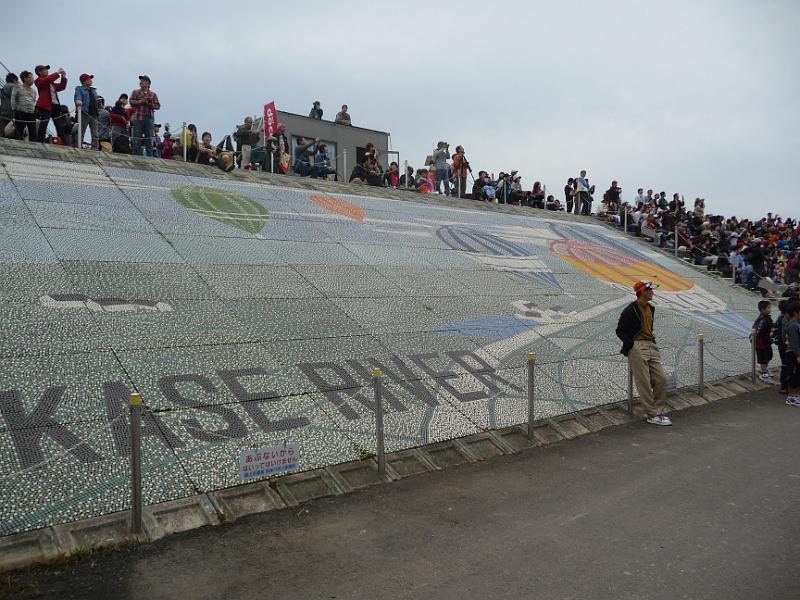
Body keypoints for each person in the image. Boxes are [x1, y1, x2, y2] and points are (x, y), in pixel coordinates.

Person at [615, 280, 672, 426]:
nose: (652, 292)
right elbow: (620, 330)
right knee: (644, 382)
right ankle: (652, 414)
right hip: (638, 346)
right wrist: (631, 344)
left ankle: (658, 411)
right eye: (650, 290)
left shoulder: (651, 308)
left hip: (651, 344)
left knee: (662, 379)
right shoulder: (630, 310)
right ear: (642, 292)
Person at [33, 65, 69, 142]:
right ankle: (40, 141)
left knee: (59, 126)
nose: (47, 70)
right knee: (43, 125)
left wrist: (63, 78)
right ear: (39, 72)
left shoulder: (51, 83)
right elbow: (46, 80)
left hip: (55, 106)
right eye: (45, 69)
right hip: (46, 106)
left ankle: (62, 142)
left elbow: (61, 87)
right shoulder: (38, 80)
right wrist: (57, 73)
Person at [129, 75, 160, 156]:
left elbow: (158, 106)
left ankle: (150, 157)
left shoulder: (153, 94)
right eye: (141, 80)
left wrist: (150, 104)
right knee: (137, 138)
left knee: (149, 138)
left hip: (149, 118)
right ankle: (137, 156)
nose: (141, 82)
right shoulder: (135, 92)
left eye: (143, 80)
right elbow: (131, 102)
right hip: (138, 117)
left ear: (148, 83)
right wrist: (141, 102)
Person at [73, 74, 99, 150]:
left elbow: (96, 102)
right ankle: (79, 147)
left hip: (94, 114)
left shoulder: (93, 90)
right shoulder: (79, 89)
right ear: (84, 81)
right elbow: (77, 97)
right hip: (84, 113)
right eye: (89, 79)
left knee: (95, 134)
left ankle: (95, 149)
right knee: (81, 132)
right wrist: (78, 101)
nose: (91, 81)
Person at [752, 300, 775, 383]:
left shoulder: (767, 317)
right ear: (762, 310)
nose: (770, 309)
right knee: (762, 358)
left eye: (770, 307)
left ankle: (765, 369)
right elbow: (758, 331)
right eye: (768, 308)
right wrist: (769, 334)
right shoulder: (761, 320)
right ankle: (764, 374)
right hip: (761, 343)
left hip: (767, 341)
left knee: (768, 356)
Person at [11, 71, 37, 141]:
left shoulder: (34, 91)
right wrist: (14, 110)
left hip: (31, 113)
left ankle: (33, 146)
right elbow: (13, 99)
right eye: (30, 78)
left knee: (33, 132)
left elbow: (33, 101)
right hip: (20, 112)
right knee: (19, 131)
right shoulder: (17, 87)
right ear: (25, 79)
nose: (32, 79)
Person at [784, 301, 800, 406]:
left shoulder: (795, 324)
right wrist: (798, 355)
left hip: (795, 353)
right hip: (793, 353)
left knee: (797, 375)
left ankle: (795, 396)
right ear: (795, 313)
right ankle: (791, 397)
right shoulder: (793, 325)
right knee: (793, 375)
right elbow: (794, 342)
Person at [775, 300, 790, 394]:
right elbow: (785, 335)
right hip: (784, 345)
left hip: (781, 345)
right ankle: (784, 386)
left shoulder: (780, 317)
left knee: (785, 365)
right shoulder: (784, 318)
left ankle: (784, 386)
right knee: (786, 366)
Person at [0, 73, 18, 138]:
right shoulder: (13, 87)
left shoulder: (3, 88)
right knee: (11, 130)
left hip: (2, 111)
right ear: (14, 80)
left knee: (2, 131)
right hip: (11, 111)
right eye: (17, 81)